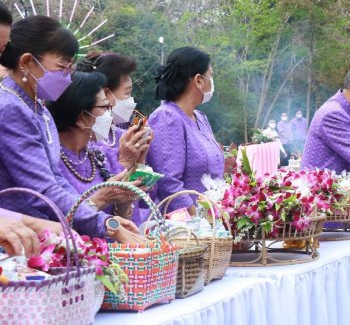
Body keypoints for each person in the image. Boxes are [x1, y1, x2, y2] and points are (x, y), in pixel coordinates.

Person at [0, 15, 142, 242]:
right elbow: (43, 191)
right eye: (61, 66)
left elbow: (56, 179)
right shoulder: (10, 107)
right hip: (18, 238)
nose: (67, 76)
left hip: (43, 234)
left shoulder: (38, 108)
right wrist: (105, 224)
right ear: (27, 62)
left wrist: (98, 218)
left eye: (70, 67)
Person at [47, 71, 148, 222]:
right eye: (105, 107)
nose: (110, 113)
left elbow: (123, 222)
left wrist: (126, 199)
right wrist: (102, 197)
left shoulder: (99, 155)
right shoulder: (51, 163)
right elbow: (59, 221)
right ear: (81, 118)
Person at [147, 47, 224, 214]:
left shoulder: (200, 118)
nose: (212, 81)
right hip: (189, 229)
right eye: (210, 76)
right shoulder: (167, 118)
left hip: (212, 223)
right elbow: (168, 182)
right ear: (198, 80)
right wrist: (197, 219)